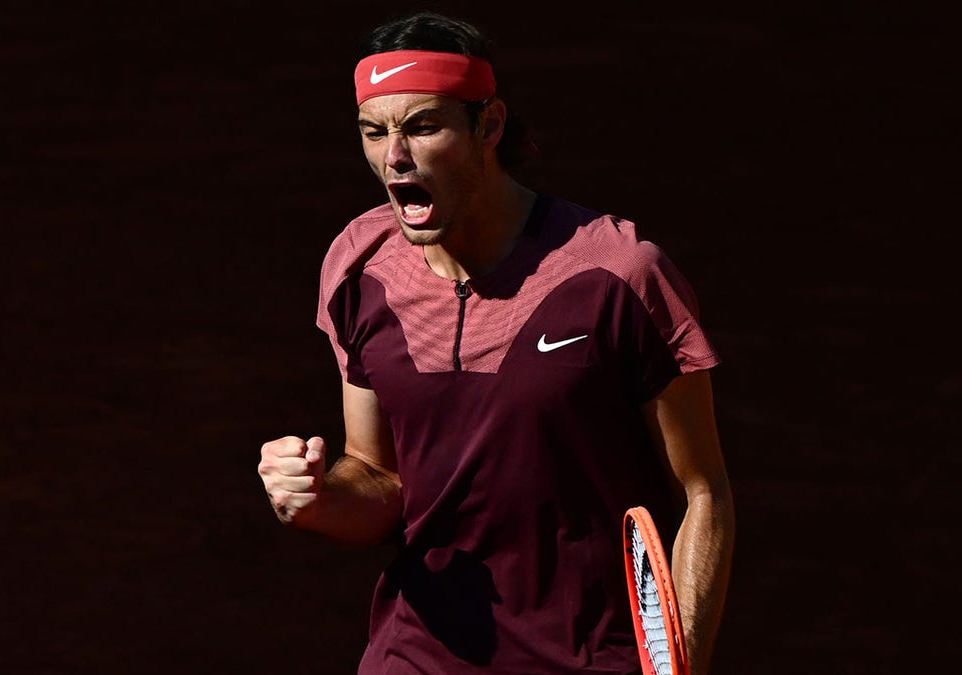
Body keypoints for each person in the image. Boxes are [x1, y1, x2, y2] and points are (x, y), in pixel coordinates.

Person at [258, 11, 735, 674]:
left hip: (592, 656)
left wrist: (682, 666)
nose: (395, 157)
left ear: (489, 126)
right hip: (418, 653)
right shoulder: (356, 267)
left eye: (424, 126)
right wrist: (316, 497)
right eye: (375, 132)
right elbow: (380, 476)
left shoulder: (619, 273)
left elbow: (702, 491)